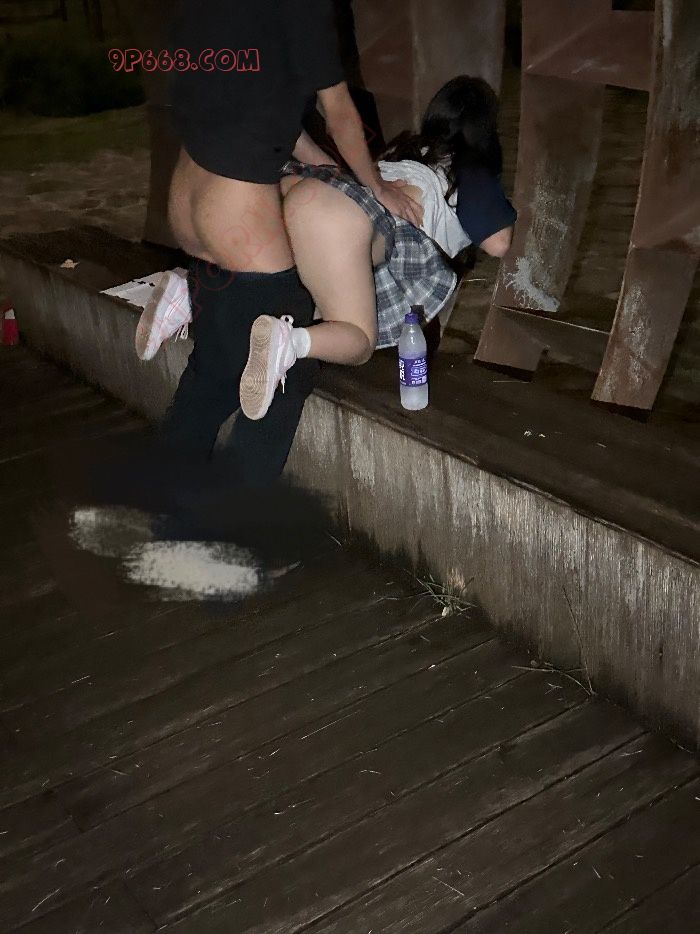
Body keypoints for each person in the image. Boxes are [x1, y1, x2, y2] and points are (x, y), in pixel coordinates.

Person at [138, 76, 516, 422]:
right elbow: (499, 244)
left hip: (298, 186)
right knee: (357, 339)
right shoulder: (470, 171)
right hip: (343, 222)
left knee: (282, 287)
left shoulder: (404, 147)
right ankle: (290, 342)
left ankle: (190, 293)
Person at [151, 0, 421, 482]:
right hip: (235, 208)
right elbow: (339, 112)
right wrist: (376, 185)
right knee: (280, 373)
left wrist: (322, 164)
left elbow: (261, 96)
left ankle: (164, 497)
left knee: (215, 372)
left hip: (187, 197)